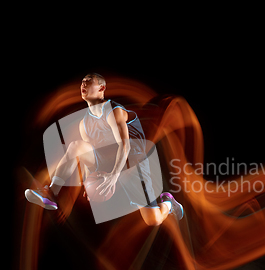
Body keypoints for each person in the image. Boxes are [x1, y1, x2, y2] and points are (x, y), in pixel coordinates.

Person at [25, 73, 183, 226]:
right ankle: (51, 193)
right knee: (76, 147)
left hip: (135, 163)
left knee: (153, 220)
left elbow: (125, 146)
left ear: (101, 88)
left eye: (88, 81)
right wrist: (88, 180)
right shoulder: (84, 125)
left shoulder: (114, 112)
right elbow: (91, 155)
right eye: (82, 82)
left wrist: (113, 177)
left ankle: (168, 202)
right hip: (111, 161)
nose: (83, 85)